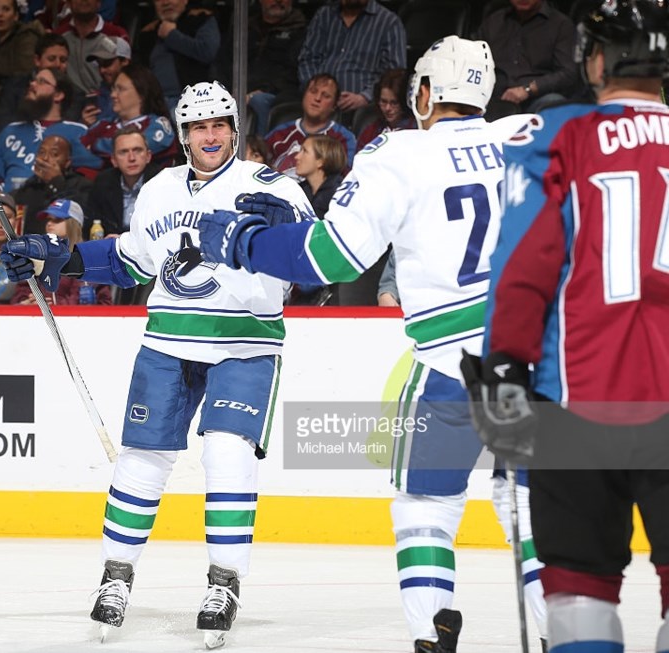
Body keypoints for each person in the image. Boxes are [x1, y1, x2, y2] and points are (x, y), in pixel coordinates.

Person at [196, 37, 549, 651]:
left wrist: (249, 243)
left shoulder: (398, 153)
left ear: (426, 93)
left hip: (450, 363)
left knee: (423, 506)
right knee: (532, 511)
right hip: (544, 355)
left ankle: (429, 632)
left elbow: (333, 256)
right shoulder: (532, 132)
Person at [0, 81, 315, 647]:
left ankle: (224, 583)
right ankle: (115, 578)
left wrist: (292, 232)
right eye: (198, 128)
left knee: (226, 452)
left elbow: (315, 271)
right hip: (167, 341)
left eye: (219, 124)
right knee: (142, 459)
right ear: (184, 134)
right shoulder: (161, 189)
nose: (210, 135)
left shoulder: (274, 187)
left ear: (233, 129)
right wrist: (59, 257)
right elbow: (129, 262)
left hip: (246, 344)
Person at [467, 2, 669, 651]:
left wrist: (503, 364)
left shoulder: (557, 134)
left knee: (578, 590)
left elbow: (526, 265)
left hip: (575, 403)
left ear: (600, 60)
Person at [0, 68, 101, 193]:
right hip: (9, 206)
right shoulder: (10, 131)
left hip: (55, 204)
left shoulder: (78, 132)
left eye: (41, 81)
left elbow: (88, 177)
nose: (32, 84)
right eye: (33, 80)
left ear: (58, 95)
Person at [297, 0, 405, 114]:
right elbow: (307, 59)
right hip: (317, 104)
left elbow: (394, 73)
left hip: (362, 108)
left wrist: (365, 97)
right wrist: (314, 91)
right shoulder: (324, 15)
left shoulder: (389, 22)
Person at [476, 0, 578, 115]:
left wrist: (528, 90)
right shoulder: (493, 22)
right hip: (493, 99)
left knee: (554, 103)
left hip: (536, 99)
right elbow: (474, 63)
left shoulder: (561, 24)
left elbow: (568, 73)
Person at [12, 199, 113, 304]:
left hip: (82, 318)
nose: (49, 224)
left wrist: (55, 305)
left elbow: (96, 300)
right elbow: (21, 291)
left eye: (57, 220)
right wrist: (26, 302)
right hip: (41, 317)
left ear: (73, 223)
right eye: (48, 219)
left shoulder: (91, 257)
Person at [81, 63, 177, 167]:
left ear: (142, 94)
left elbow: (137, 152)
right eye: (113, 89)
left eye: (120, 89)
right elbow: (76, 151)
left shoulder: (157, 124)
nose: (113, 95)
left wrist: (95, 147)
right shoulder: (103, 124)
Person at [133, 0, 221, 112]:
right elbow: (138, 74)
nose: (165, 3)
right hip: (156, 105)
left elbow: (207, 53)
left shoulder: (201, 19)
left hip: (197, 102)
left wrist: (172, 36)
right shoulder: (148, 33)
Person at [264, 73, 356, 179]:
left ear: (334, 105)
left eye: (326, 96)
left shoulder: (343, 138)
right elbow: (257, 163)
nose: (317, 98)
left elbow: (345, 177)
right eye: (313, 91)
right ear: (304, 95)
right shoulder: (279, 133)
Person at [240, 0, 307, 136]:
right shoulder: (244, 24)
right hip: (239, 90)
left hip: (276, 93)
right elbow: (224, 61)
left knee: (259, 100)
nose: (278, 1)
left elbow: (292, 71)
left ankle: (262, 152)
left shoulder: (301, 30)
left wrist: (261, 91)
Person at [85, 126, 162, 238]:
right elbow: (91, 225)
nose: (131, 158)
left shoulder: (162, 182)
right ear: (114, 160)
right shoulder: (103, 183)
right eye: (123, 152)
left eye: (137, 150)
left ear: (148, 156)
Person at [12, 133, 94, 234]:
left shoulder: (81, 186)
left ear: (67, 162)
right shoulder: (27, 187)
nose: (45, 158)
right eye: (41, 152)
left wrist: (55, 182)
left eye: (54, 154)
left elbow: (78, 221)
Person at [56, 0, 130, 95]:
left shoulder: (117, 35)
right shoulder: (58, 35)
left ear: (99, 2)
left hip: (108, 100)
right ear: (69, 3)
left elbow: (128, 76)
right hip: (68, 102)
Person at [0, 0, 46, 91]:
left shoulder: (27, 37)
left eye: (6, 9)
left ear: (16, 16)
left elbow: (23, 77)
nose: (0, 14)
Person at [355, 68, 417, 151]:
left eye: (394, 103)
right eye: (383, 101)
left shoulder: (416, 131)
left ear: (404, 102)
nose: (388, 108)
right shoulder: (370, 132)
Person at [81, 35, 132, 128]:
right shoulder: (95, 98)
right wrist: (85, 125)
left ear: (124, 61)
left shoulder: (141, 94)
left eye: (107, 63)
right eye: (99, 64)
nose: (102, 70)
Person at [294, 134, 346, 219]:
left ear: (321, 161)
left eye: (305, 151)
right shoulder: (298, 191)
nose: (297, 157)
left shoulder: (339, 195)